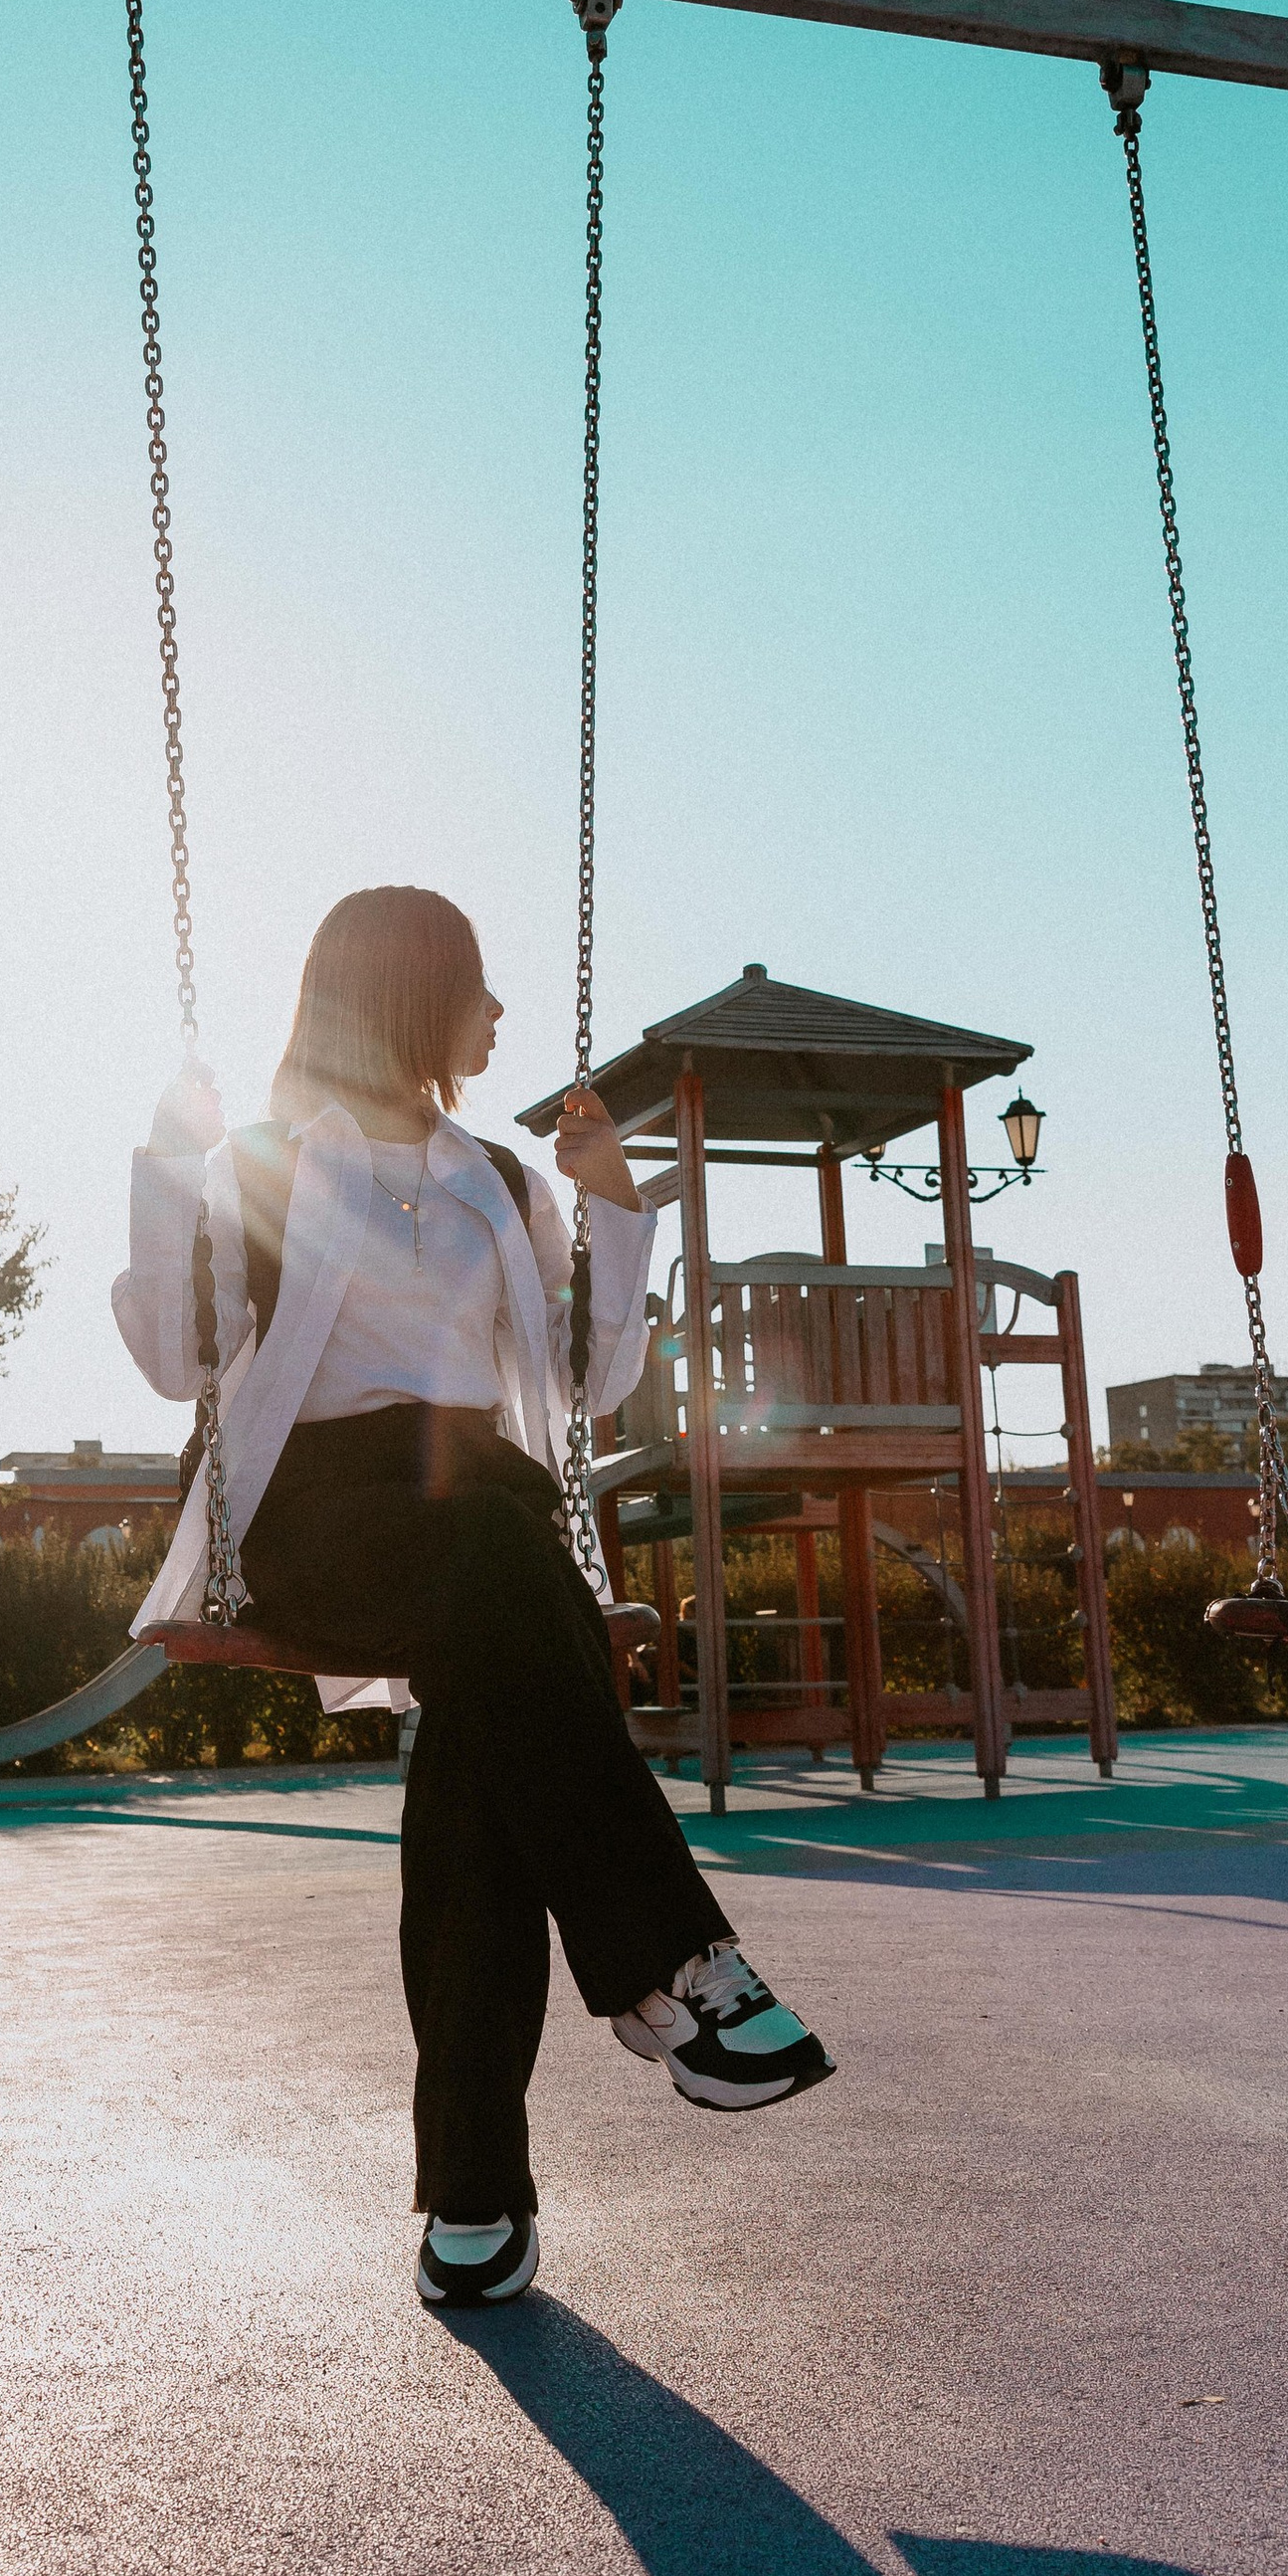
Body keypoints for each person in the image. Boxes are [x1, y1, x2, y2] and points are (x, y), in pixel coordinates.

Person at [113, 885, 833, 2310]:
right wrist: (169, 1164)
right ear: (404, 992)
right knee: (506, 1569)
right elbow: (179, 1353)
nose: (499, 1014)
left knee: (484, 1782)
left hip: (482, 1516)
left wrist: (615, 1207)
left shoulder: (500, 1179)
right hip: (319, 1514)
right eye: (475, 986)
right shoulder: (262, 1161)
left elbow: (588, 1379)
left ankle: (474, 2203)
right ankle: (678, 1971)